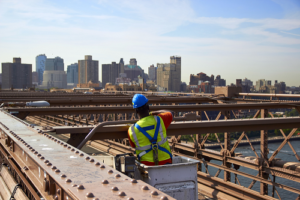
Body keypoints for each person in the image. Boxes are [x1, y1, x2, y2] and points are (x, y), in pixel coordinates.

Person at [128, 94, 173, 166]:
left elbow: (133, 145)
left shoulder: (132, 130)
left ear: (136, 111)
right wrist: (153, 113)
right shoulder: (160, 119)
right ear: (148, 107)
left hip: (147, 166)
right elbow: (171, 113)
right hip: (166, 162)